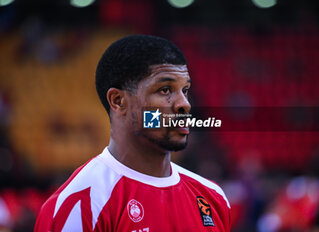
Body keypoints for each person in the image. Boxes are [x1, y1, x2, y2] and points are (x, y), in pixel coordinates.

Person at [35, 35, 232, 231]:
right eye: (165, 90)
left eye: (185, 90)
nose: (184, 104)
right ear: (118, 101)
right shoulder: (82, 204)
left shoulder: (212, 197)